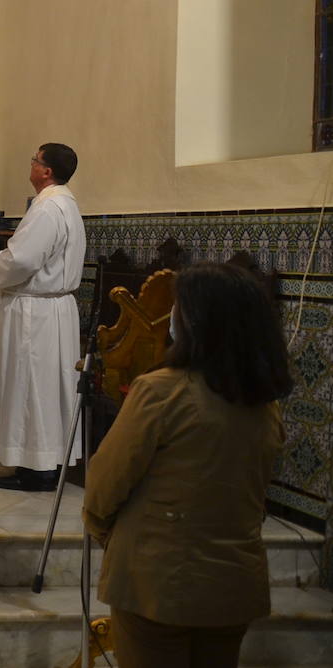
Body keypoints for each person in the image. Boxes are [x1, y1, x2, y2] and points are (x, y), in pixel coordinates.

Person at [83, 263, 290, 667]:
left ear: (197, 322)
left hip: (157, 578)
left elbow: (106, 483)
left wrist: (107, 532)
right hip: (233, 583)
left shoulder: (161, 391)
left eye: (177, 307)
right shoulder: (265, 404)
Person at [0, 142, 85, 490]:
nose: (31, 165)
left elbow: (23, 259)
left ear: (46, 171)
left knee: (31, 385)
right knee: (45, 386)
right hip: (53, 310)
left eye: (34, 160)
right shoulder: (65, 203)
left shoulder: (47, 208)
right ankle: (40, 462)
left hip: (34, 314)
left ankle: (37, 469)